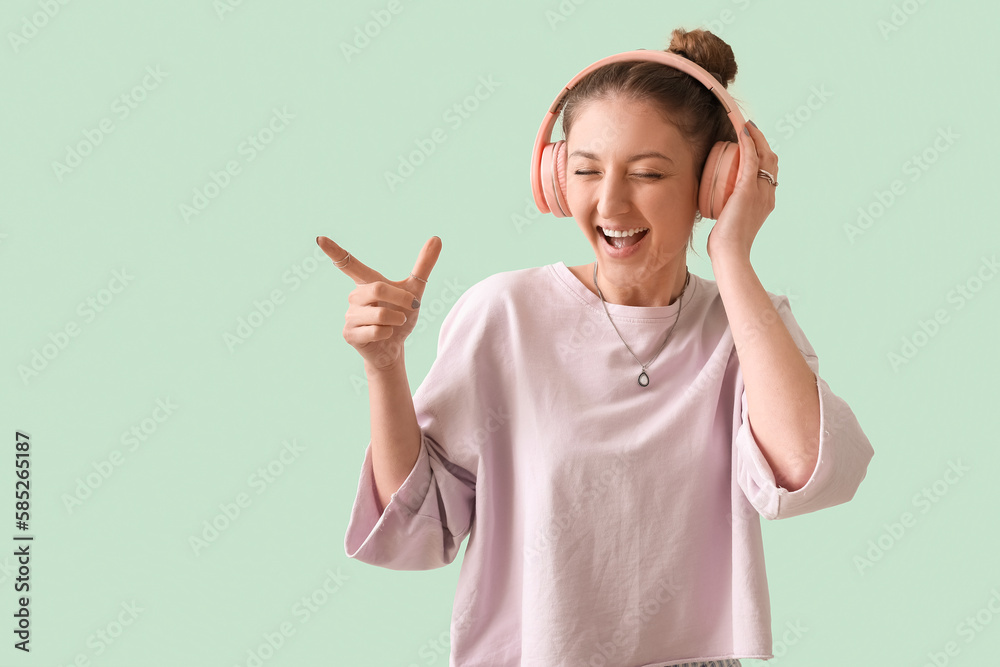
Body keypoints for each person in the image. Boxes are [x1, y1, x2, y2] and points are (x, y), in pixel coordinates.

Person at [320, 27, 874, 667]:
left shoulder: (744, 327)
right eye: (585, 170)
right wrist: (384, 369)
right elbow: (421, 528)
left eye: (648, 173)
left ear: (714, 183)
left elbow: (809, 473)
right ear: (556, 178)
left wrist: (732, 255)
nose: (609, 203)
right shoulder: (505, 316)